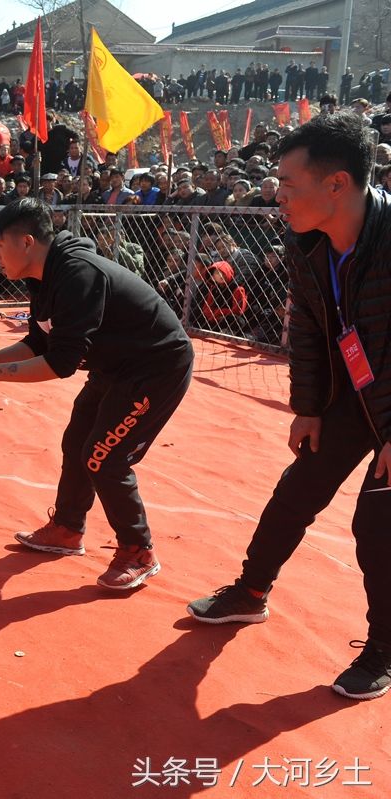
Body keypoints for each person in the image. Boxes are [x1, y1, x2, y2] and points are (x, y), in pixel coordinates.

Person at [186, 112, 391, 700]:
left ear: (337, 185)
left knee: (377, 526)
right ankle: (250, 594)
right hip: (352, 394)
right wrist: (308, 406)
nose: (278, 195)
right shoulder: (307, 244)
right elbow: (306, 329)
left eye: (289, 184)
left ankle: (384, 648)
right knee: (297, 491)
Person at [0, 197, 193, 590]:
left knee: (104, 457)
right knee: (77, 440)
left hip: (155, 368)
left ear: (26, 242)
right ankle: (67, 529)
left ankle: (138, 551)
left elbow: (60, 364)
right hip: (115, 367)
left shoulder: (77, 274)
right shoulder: (43, 275)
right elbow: (40, 341)